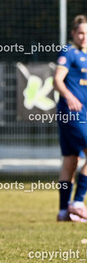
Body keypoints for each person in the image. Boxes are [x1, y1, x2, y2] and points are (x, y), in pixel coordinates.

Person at [53, 14, 87, 222]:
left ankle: (63, 211)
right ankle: (78, 203)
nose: (83, 37)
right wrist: (69, 96)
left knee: (71, 159)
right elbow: (57, 80)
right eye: (80, 33)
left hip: (81, 114)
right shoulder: (69, 52)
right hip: (72, 113)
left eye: (86, 34)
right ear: (73, 33)